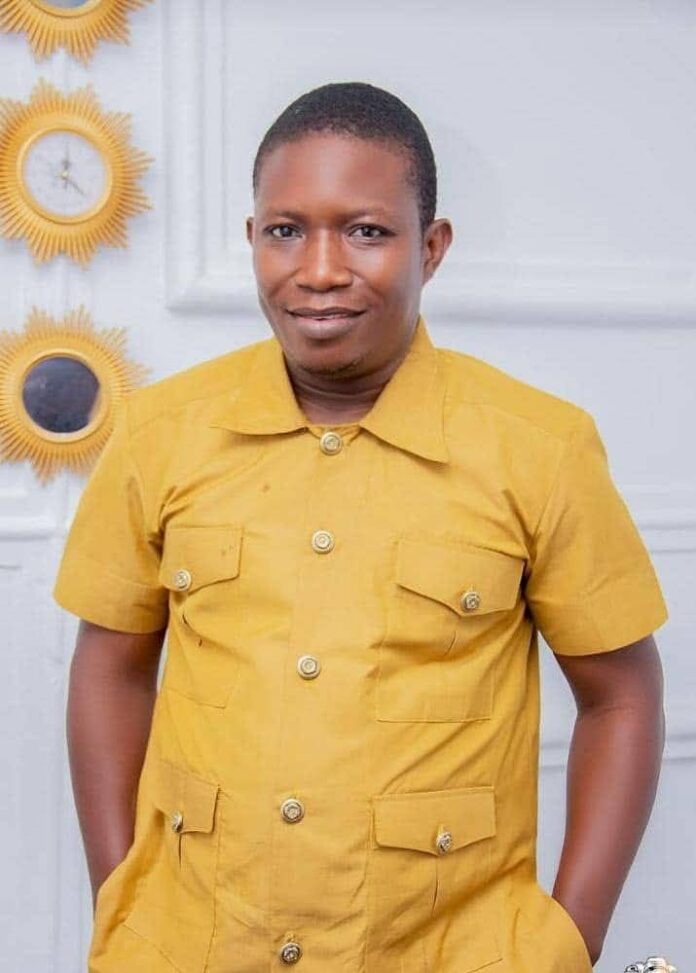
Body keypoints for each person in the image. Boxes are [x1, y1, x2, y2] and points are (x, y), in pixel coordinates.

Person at [53, 82, 669, 973]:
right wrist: (121, 904)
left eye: (367, 231)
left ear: (432, 246)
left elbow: (622, 697)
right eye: (285, 229)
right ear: (252, 237)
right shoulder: (160, 433)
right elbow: (109, 668)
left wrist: (568, 941)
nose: (319, 269)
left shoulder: (542, 448)